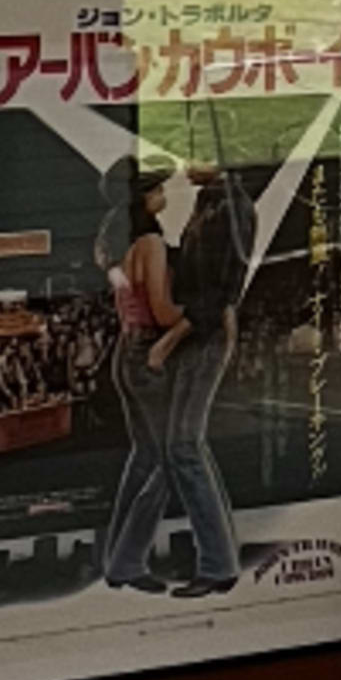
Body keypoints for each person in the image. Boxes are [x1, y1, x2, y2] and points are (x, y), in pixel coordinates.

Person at [95, 157, 242, 596]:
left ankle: (117, 563)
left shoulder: (110, 243)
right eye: (157, 188)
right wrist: (196, 318)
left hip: (124, 351)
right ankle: (131, 560)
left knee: (144, 456)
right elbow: (161, 311)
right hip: (148, 356)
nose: (164, 193)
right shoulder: (150, 245)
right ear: (144, 198)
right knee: (169, 460)